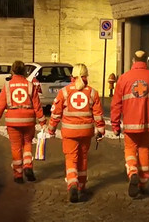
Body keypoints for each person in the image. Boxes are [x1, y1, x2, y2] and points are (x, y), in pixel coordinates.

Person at [110, 50, 149, 197]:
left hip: (130, 124)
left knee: (130, 150)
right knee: (144, 150)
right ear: (147, 61)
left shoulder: (124, 78)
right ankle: (143, 183)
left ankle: (132, 172)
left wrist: (115, 125)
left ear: (133, 60)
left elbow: (116, 104)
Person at [47, 63, 105, 203]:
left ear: (72, 76)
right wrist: (101, 129)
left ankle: (72, 184)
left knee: (71, 159)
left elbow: (56, 113)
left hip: (69, 132)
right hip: (86, 131)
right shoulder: (92, 92)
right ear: (86, 76)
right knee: (83, 158)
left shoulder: (64, 92)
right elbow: (98, 115)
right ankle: (82, 186)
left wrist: (51, 129)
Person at [0, 60, 47, 184]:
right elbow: (37, 106)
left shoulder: (7, 86)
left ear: (12, 71)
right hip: (28, 121)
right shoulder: (30, 85)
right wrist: (43, 122)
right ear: (24, 71)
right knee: (27, 144)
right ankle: (28, 167)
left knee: (16, 147)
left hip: (13, 121)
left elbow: (0, 106)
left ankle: (18, 175)